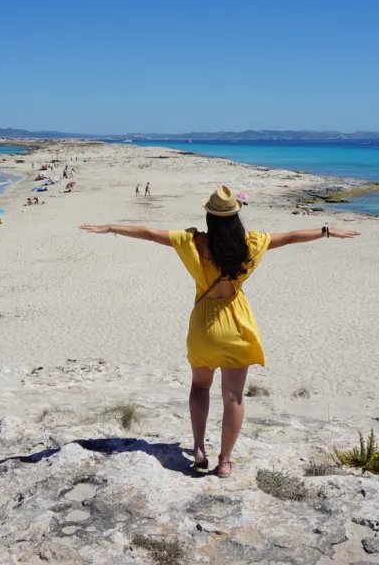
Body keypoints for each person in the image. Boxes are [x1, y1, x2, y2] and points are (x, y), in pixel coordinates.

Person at [80, 185, 358, 479]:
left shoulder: (192, 241)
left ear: (209, 217)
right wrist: (326, 230)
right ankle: (225, 462)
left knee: (200, 387)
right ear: (236, 217)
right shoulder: (250, 244)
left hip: (203, 328)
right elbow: (289, 238)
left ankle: (199, 450)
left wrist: (110, 226)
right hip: (236, 325)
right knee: (233, 398)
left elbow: (149, 233)